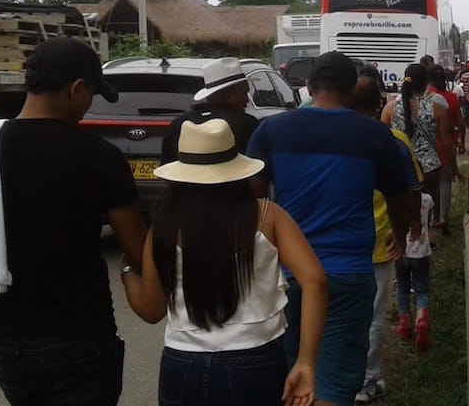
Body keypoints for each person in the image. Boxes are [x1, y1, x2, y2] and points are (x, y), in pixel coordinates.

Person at [0, 37, 147, 406]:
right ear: (76, 88)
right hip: (82, 338)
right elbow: (137, 250)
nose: (88, 106)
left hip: (10, 344)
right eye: (91, 94)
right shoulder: (101, 157)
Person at [246, 51, 420, 406]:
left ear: (309, 86)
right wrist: (398, 234)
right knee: (333, 385)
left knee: (289, 377)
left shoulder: (272, 129)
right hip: (349, 276)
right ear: (352, 90)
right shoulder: (377, 136)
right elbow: (402, 197)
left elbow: (251, 199)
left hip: (287, 276)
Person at [122, 119, 328, 406]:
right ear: (237, 170)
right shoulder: (269, 216)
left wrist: (128, 271)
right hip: (255, 362)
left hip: (182, 365)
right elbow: (315, 282)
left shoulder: (165, 227)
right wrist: (305, 362)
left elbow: (151, 309)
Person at [349, 69, 423, 404]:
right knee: (373, 317)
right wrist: (404, 229)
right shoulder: (395, 141)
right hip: (380, 243)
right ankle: (368, 381)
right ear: (380, 102)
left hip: (335, 245)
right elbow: (412, 193)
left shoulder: (329, 139)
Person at [382, 64, 454, 229]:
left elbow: (383, 142)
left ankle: (405, 238)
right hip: (429, 168)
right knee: (426, 206)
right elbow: (447, 143)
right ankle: (424, 238)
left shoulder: (389, 108)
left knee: (402, 208)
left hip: (401, 169)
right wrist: (454, 167)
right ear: (426, 82)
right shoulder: (438, 108)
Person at [161, 57, 258, 164]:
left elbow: (166, 168)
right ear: (228, 95)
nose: (247, 100)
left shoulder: (179, 124)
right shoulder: (247, 124)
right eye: (244, 93)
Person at [394, 190, 434, 352]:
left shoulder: (397, 199)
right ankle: (421, 320)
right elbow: (429, 221)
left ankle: (405, 326)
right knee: (422, 291)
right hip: (422, 253)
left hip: (402, 252)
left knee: (402, 288)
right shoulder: (427, 198)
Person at [427, 64, 462, 233]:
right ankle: (443, 218)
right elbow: (460, 122)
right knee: (444, 182)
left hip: (427, 148)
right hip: (446, 146)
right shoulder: (452, 98)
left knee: (429, 185)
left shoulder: (419, 100)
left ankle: (433, 217)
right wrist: (461, 141)